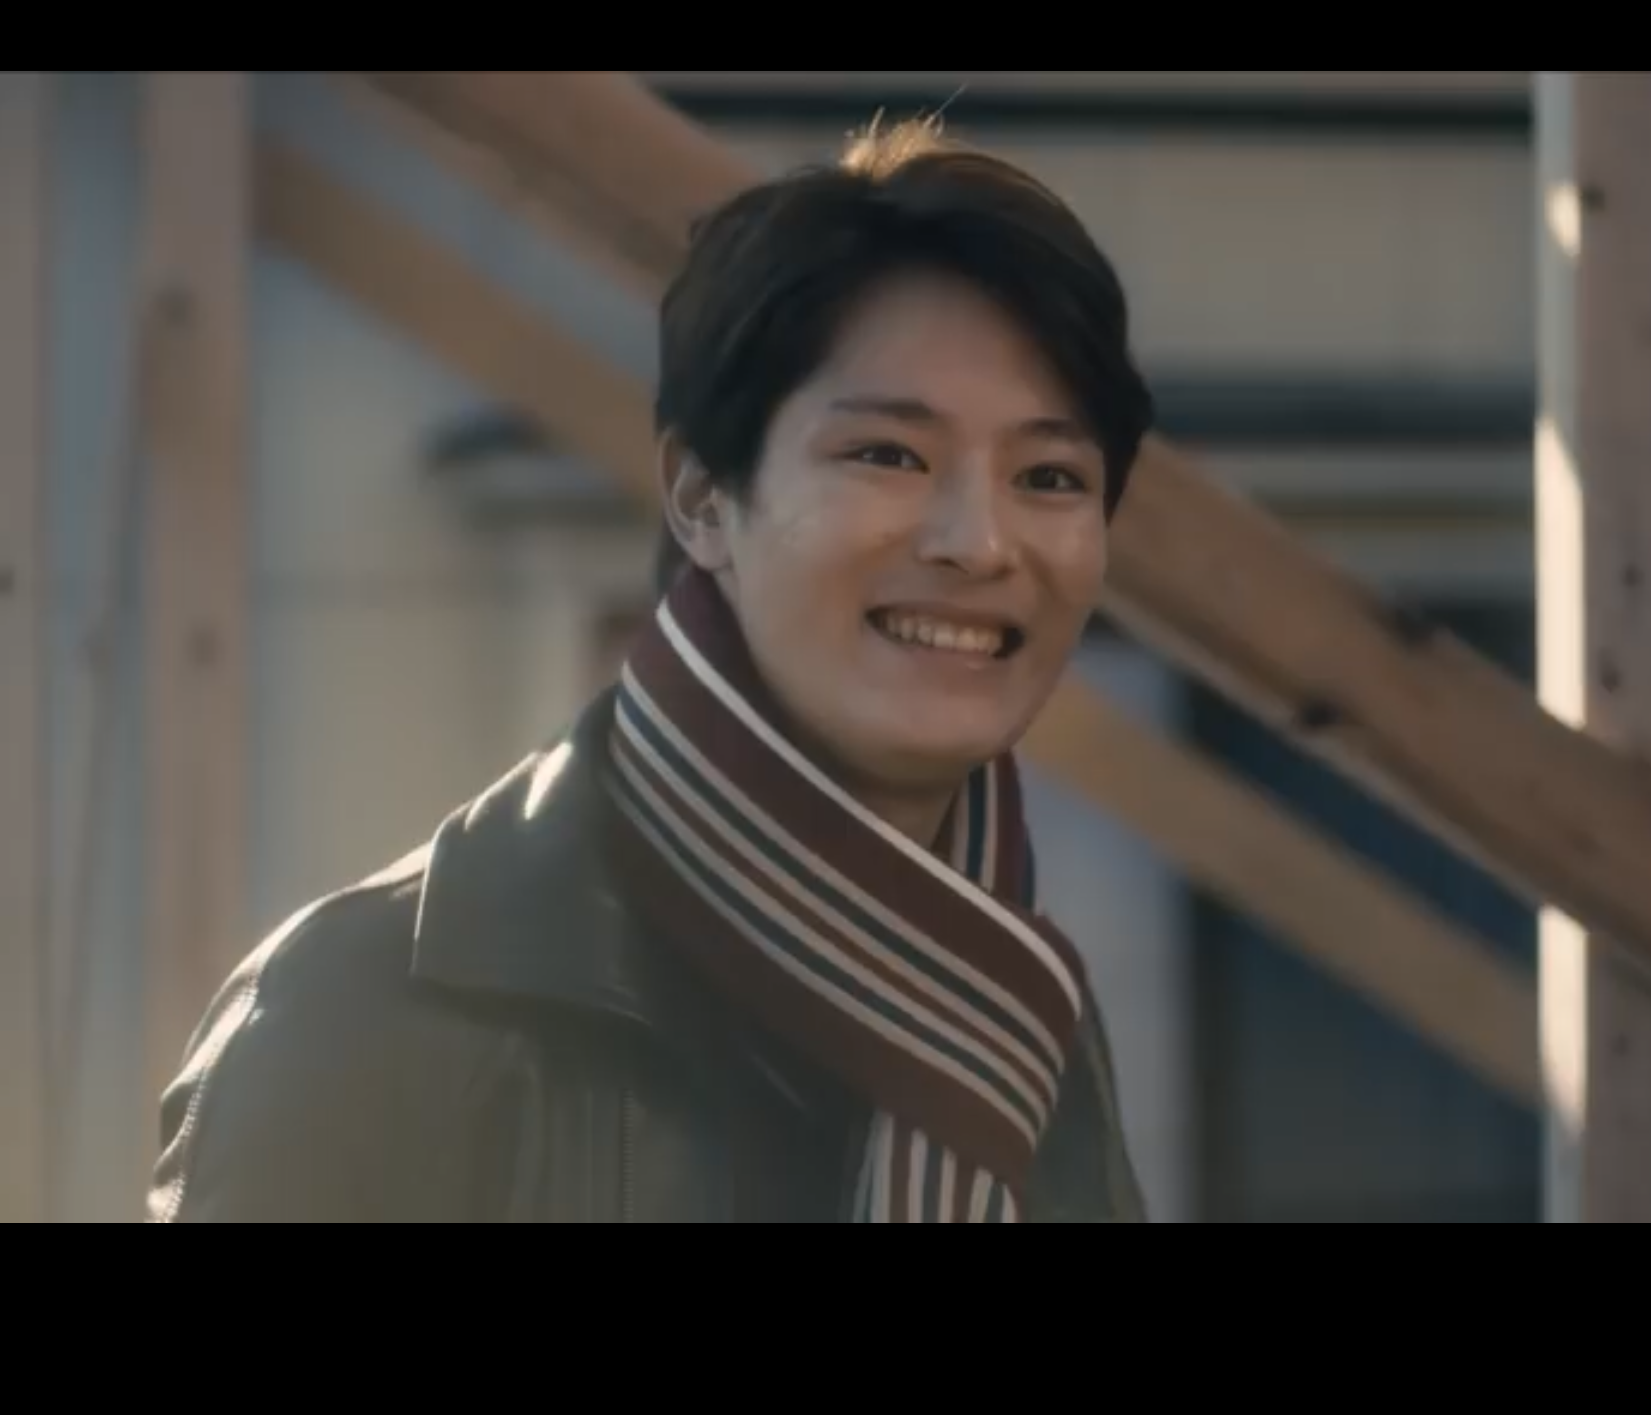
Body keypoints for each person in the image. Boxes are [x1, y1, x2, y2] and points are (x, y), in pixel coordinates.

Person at [146, 118, 1155, 1222]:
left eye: (1049, 477)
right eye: (887, 455)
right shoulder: (369, 1010)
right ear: (700, 497)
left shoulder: (1015, 1027)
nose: (980, 542)